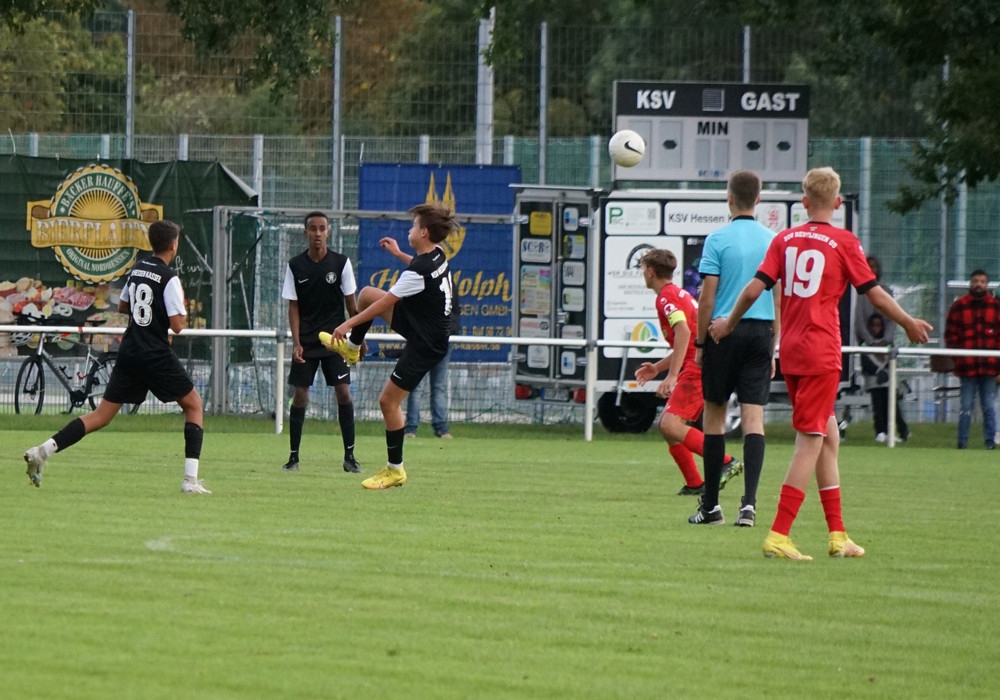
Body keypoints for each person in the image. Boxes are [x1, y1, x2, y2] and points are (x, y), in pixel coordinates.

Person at [709, 167, 931, 560]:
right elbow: (874, 294)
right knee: (810, 440)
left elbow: (754, 289)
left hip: (792, 352)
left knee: (828, 436)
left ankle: (838, 535)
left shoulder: (784, 239)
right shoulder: (844, 242)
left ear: (804, 202)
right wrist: (908, 321)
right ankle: (779, 534)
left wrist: (728, 323)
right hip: (821, 353)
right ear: (839, 203)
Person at [23, 219, 210, 494]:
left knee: (101, 415)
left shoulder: (138, 269)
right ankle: (190, 482)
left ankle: (43, 450)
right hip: (155, 353)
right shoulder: (169, 277)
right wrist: (177, 306)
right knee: (194, 405)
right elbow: (178, 325)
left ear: (151, 243)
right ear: (174, 245)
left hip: (130, 350)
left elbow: (123, 305)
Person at [320, 202, 458, 489]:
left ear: (424, 232)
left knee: (388, 401)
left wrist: (346, 325)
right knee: (367, 294)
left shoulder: (417, 272)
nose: (410, 229)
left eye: (413, 225)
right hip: (424, 325)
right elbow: (416, 272)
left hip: (426, 343)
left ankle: (395, 470)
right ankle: (352, 348)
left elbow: (383, 305)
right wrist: (398, 254)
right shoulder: (436, 253)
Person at [691, 169, 778, 528]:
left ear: (729, 198)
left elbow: (707, 297)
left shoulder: (717, 240)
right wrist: (774, 344)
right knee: (753, 418)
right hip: (761, 332)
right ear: (759, 199)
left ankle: (711, 506)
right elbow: (779, 297)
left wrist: (700, 344)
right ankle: (749, 505)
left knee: (714, 414)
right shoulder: (773, 241)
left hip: (722, 332)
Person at [633, 249, 743, 497]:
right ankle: (694, 483)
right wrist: (658, 368)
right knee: (668, 426)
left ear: (650, 272)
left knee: (670, 424)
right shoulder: (677, 293)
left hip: (698, 366)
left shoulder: (665, 297)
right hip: (701, 361)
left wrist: (671, 376)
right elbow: (690, 339)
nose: (643, 274)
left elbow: (682, 331)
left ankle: (726, 461)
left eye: (642, 269)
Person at [281, 210, 364, 473]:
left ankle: (350, 458)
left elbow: (352, 304)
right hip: (307, 342)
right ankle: (293, 458)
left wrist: (358, 338)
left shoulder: (341, 263)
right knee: (300, 395)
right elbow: (293, 306)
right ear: (305, 232)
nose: (317, 233)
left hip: (336, 341)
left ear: (328, 232)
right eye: (312, 228)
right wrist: (297, 342)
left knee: (343, 392)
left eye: (322, 228)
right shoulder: (295, 265)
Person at [854, 254, 910, 443]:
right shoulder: (859, 294)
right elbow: (859, 322)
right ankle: (880, 430)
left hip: (886, 352)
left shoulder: (886, 291)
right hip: (869, 351)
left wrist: (885, 341)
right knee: (876, 395)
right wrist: (870, 343)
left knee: (891, 394)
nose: (872, 270)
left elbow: (892, 318)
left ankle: (900, 430)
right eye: (868, 266)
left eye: (875, 266)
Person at [944, 269, 1000, 450]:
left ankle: (990, 442)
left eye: (982, 282)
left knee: (988, 406)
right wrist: (957, 356)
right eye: (975, 281)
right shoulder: (959, 306)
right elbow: (950, 334)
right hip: (966, 366)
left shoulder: (995, 307)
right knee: (966, 406)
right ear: (970, 283)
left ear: (987, 284)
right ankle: (962, 443)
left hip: (989, 366)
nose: (978, 285)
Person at [404, 348, 453, 439]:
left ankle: (440, 428)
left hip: (442, 344)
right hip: (422, 344)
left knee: (437, 388)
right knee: (418, 388)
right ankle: (411, 428)